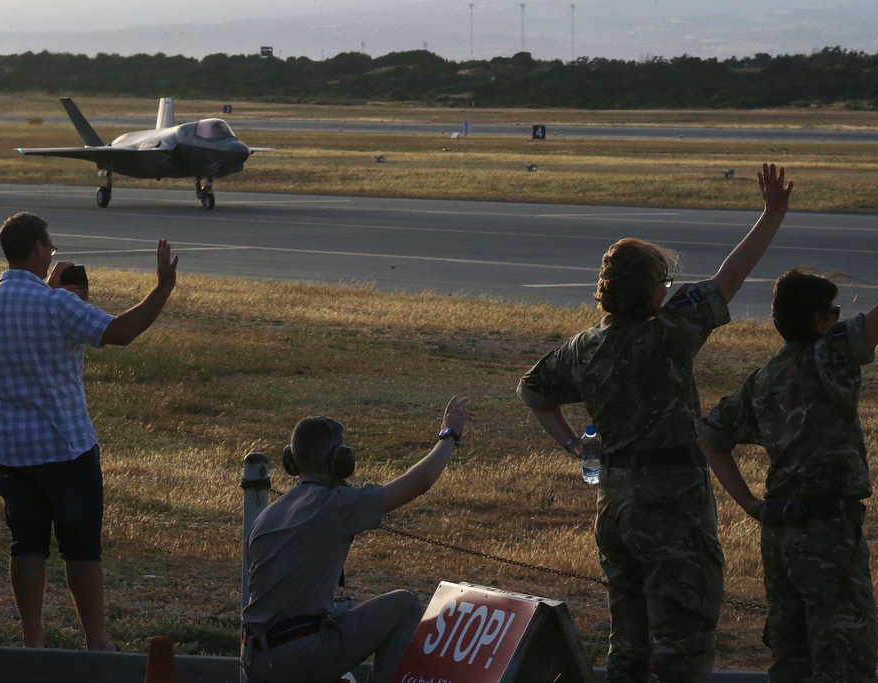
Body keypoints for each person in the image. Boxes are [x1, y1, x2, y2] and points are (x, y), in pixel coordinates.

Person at [516, 163, 793, 682]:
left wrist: (574, 443)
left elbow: (532, 391)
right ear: (650, 291)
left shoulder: (583, 349)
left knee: (630, 642)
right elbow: (728, 279)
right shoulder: (667, 332)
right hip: (670, 503)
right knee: (682, 644)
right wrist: (771, 216)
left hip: (615, 501)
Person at [695, 174, 878, 682]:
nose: (839, 318)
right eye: (833, 312)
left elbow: (710, 439)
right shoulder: (834, 356)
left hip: (780, 533)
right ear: (821, 322)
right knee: (842, 656)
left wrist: (751, 505)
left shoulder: (762, 381)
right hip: (828, 532)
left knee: (791, 656)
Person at [0, 212, 179, 650]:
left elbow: (26, 333)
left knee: (25, 544)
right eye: (51, 247)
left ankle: (33, 643)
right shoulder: (59, 305)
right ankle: (96, 642)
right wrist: (162, 289)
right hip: (64, 447)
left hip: (8, 448)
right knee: (81, 547)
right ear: (39, 250)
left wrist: (62, 298)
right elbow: (120, 333)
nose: (53, 254)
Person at [241, 397, 473, 683]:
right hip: (299, 656)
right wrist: (449, 436)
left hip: (254, 659)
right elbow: (419, 482)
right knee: (405, 605)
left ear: (292, 458)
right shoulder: (334, 504)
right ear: (339, 460)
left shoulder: (270, 515)